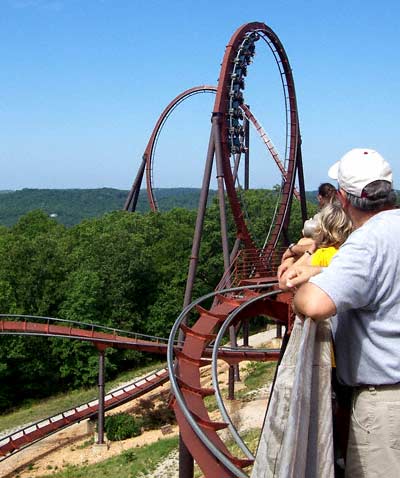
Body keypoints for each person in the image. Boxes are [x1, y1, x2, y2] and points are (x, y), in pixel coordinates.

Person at [285, 148, 400, 478]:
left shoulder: (367, 242)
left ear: (343, 198)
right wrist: (323, 273)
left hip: (386, 404)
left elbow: (314, 304)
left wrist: (303, 288)